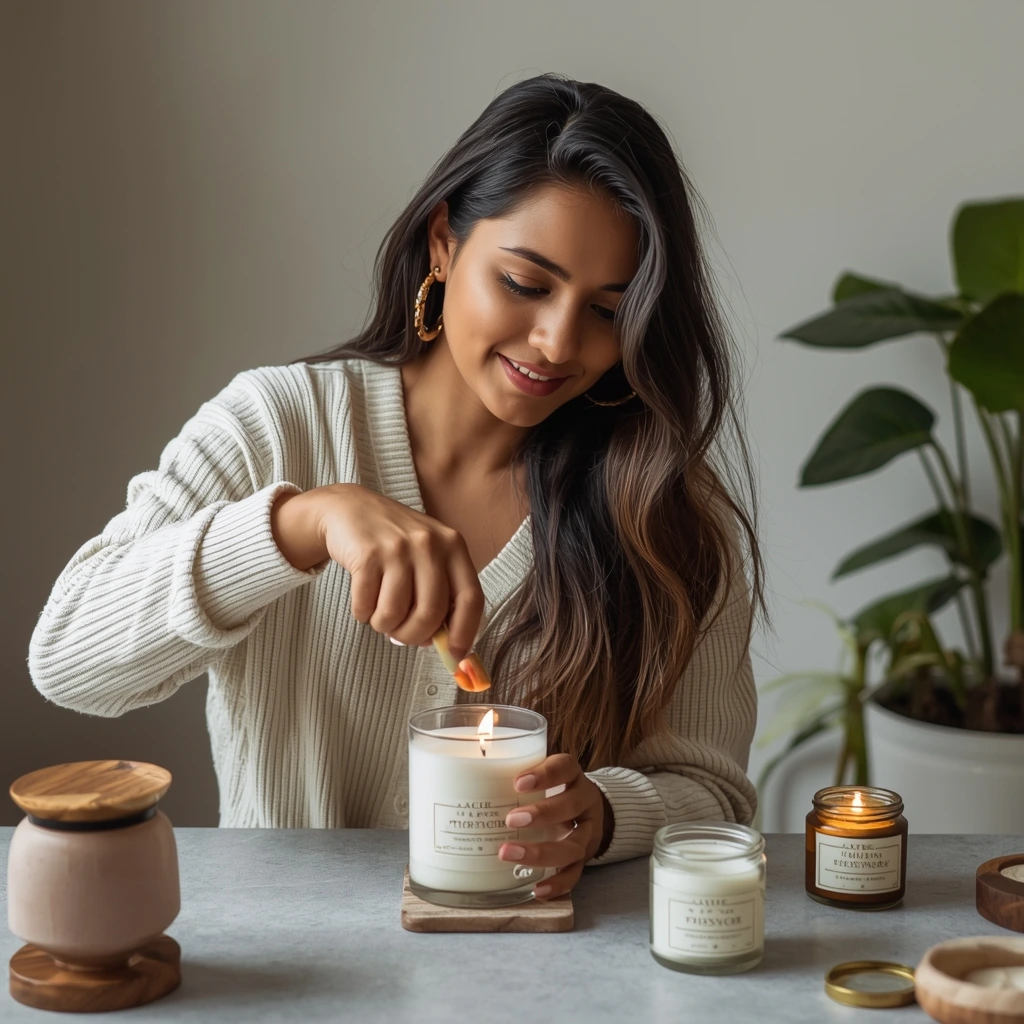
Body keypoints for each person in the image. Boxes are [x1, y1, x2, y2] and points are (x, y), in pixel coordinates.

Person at [29, 72, 766, 901]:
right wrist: (298, 526)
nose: (558, 341)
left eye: (608, 311)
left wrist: (601, 815)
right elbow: (68, 662)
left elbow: (716, 798)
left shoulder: (664, 507)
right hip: (290, 966)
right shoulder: (279, 426)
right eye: (526, 284)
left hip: (536, 981)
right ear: (444, 241)